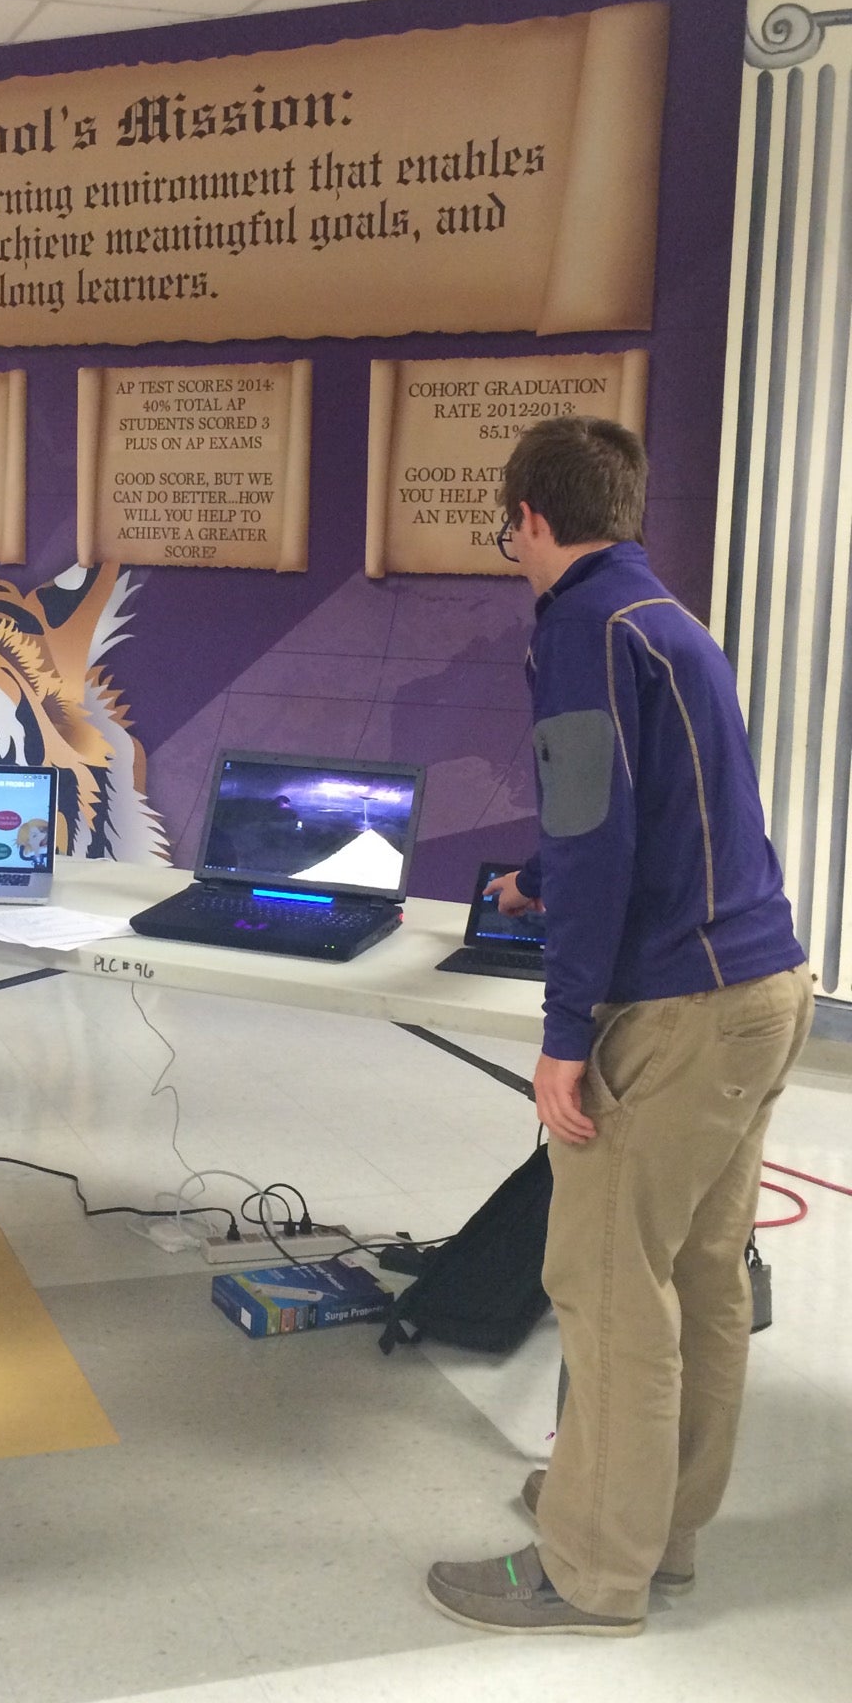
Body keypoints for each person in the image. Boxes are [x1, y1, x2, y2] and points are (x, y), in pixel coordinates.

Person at [426, 416, 811, 1638]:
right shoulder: (669, 622)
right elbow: (644, 808)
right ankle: (658, 1530)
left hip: (679, 1013)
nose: (513, 551)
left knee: (604, 1282)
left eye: (507, 533)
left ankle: (590, 1567)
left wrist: (564, 1029)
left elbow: (599, 837)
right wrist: (543, 871)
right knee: (699, 1274)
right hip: (766, 989)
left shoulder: (581, 628)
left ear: (530, 518)